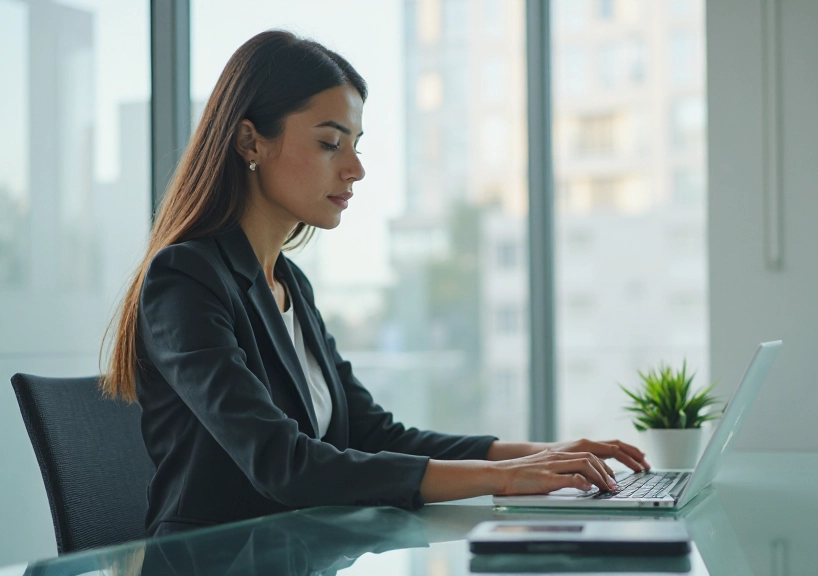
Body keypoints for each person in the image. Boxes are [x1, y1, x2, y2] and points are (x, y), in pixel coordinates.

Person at [102, 30, 649, 538]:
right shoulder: (186, 279)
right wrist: (503, 479)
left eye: (356, 144)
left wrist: (538, 455)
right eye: (329, 143)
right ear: (250, 141)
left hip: (301, 554)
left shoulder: (289, 285)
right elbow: (284, 464)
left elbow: (375, 436)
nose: (355, 169)